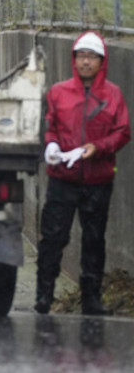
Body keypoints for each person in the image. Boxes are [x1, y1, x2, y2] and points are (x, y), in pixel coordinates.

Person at [35, 31, 131, 316]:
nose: (86, 62)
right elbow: (49, 125)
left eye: (92, 57)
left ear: (102, 61)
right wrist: (51, 144)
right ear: (74, 59)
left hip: (98, 179)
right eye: (82, 56)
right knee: (53, 236)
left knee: (93, 239)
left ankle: (91, 298)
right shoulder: (58, 92)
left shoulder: (113, 95)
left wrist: (97, 148)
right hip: (62, 177)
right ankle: (43, 295)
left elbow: (123, 132)